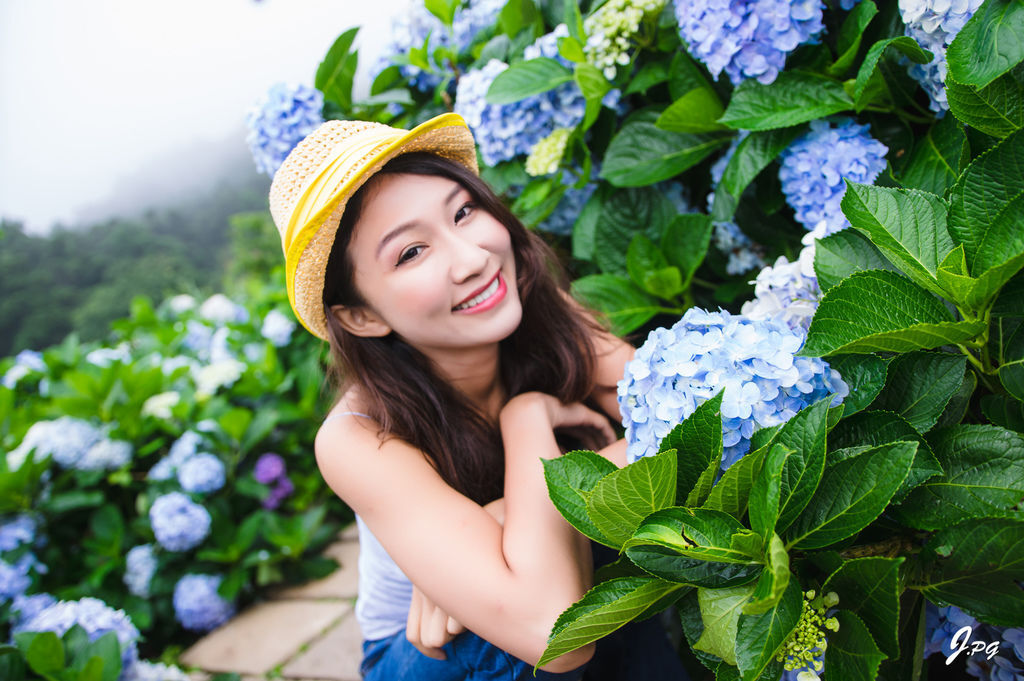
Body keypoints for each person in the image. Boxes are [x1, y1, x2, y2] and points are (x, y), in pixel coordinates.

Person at [269, 113, 688, 680]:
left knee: (591, 556)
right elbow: (557, 633)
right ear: (361, 316)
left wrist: (514, 513)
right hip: (432, 656)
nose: (472, 259)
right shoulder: (357, 436)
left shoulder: (545, 312)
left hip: (544, 585)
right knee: (515, 618)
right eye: (410, 253)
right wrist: (527, 417)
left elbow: (692, 420)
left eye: (463, 212)